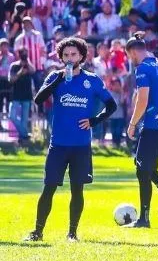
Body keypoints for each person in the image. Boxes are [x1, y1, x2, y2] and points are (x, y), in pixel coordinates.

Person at [23, 37, 117, 242]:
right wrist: (57, 81)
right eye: (65, 55)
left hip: (81, 146)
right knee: (48, 188)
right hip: (58, 145)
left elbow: (112, 106)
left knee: (77, 190)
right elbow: (38, 100)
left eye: (73, 54)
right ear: (60, 56)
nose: (69, 58)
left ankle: (72, 233)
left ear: (82, 56)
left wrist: (94, 120)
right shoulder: (54, 77)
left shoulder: (92, 80)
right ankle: (37, 232)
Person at [124, 32, 158, 228]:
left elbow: (142, 99)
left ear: (133, 52)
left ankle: (144, 219)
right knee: (145, 165)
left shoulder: (143, 69)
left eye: (130, 56)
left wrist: (132, 124)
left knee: (142, 169)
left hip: (151, 125)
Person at [9, 47, 35, 144]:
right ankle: (25, 134)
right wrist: (20, 73)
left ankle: (23, 140)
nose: (24, 55)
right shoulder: (14, 66)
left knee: (24, 120)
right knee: (12, 116)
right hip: (16, 95)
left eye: (26, 54)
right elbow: (11, 80)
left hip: (27, 96)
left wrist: (27, 63)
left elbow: (33, 71)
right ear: (19, 55)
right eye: (23, 54)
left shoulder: (29, 65)